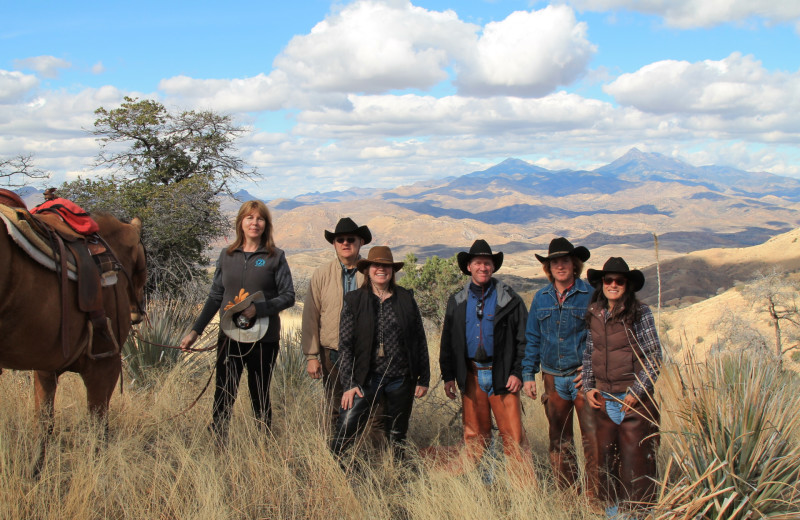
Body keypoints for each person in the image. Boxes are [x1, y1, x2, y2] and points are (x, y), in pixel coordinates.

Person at [180, 200, 295, 438]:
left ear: (266, 224)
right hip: (229, 335)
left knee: (260, 392)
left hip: (264, 338)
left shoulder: (275, 257)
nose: (255, 223)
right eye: (249, 218)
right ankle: (219, 441)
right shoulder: (227, 255)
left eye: (260, 218)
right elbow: (215, 297)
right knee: (224, 391)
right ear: (240, 222)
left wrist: (259, 309)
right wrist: (195, 331)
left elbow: (288, 296)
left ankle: (263, 444)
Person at [330, 246, 429, 459]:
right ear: (368, 269)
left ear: (392, 270)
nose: (381, 269)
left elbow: (419, 339)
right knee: (347, 426)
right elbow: (345, 345)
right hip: (366, 377)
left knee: (397, 433)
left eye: (386, 266)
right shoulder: (354, 300)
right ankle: (337, 467)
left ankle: (397, 473)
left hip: (401, 377)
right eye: (376, 265)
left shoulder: (405, 298)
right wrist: (348, 384)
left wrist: (424, 378)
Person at [439, 239, 530, 467]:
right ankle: (480, 485)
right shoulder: (457, 301)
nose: (483, 267)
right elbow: (448, 341)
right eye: (478, 263)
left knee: (513, 436)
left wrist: (518, 372)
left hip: (503, 375)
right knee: (474, 435)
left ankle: (524, 493)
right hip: (471, 376)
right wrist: (449, 375)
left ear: (493, 267)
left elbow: (524, 340)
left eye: (487, 263)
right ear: (469, 267)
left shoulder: (510, 300)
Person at [582, 257, 661, 514]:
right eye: (609, 280)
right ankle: (613, 513)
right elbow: (589, 352)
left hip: (633, 401)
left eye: (619, 281)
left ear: (627, 285)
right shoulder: (595, 313)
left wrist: (637, 392)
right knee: (606, 463)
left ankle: (638, 514)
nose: (613, 284)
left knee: (636, 463)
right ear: (601, 283)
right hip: (604, 399)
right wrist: (588, 386)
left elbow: (654, 357)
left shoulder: (640, 313)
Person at [522, 237, 599, 497]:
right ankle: (568, 495)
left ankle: (593, 496)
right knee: (559, 441)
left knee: (592, 439)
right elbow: (533, 337)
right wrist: (528, 375)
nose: (560, 266)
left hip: (582, 380)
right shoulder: (541, 298)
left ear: (574, 264)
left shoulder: (589, 294)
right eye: (555, 262)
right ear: (549, 267)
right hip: (553, 379)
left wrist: (588, 369)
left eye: (565, 260)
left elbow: (597, 337)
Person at [301, 217, 371, 431]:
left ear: (360, 242)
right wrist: (312, 356)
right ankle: (334, 456)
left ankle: (362, 455)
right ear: (334, 244)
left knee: (365, 406)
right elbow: (310, 316)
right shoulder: (322, 274)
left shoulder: (371, 273)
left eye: (351, 239)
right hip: (332, 353)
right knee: (334, 407)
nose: (345, 243)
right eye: (340, 239)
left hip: (364, 354)